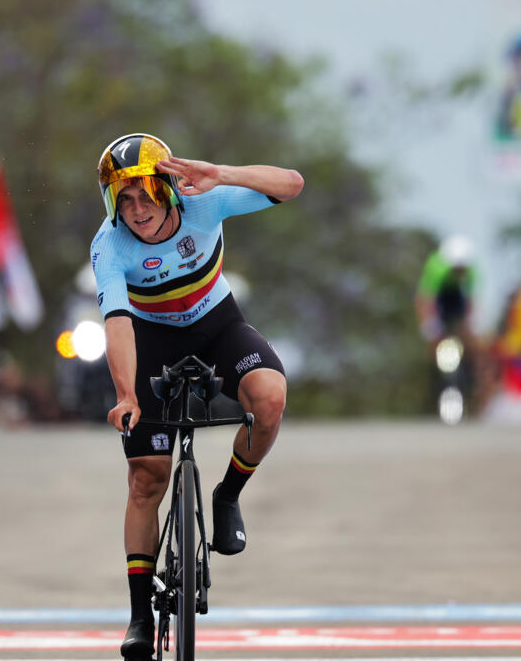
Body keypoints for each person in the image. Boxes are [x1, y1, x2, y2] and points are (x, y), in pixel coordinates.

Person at [89, 133, 302, 660]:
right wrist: (125, 395)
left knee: (269, 400)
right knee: (146, 478)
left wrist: (223, 172)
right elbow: (116, 321)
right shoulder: (109, 245)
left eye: (146, 196)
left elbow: (291, 185)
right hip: (149, 339)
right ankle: (140, 616)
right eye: (126, 199)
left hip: (217, 324)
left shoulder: (204, 200)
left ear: (168, 190)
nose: (137, 210)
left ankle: (227, 494)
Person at [416, 235, 477, 344]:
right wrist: (429, 325)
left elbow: (471, 301)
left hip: (457, 294)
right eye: (456, 269)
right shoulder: (436, 269)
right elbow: (425, 300)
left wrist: (469, 323)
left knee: (465, 328)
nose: (459, 272)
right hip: (439, 296)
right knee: (433, 332)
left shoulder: (472, 271)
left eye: (462, 269)